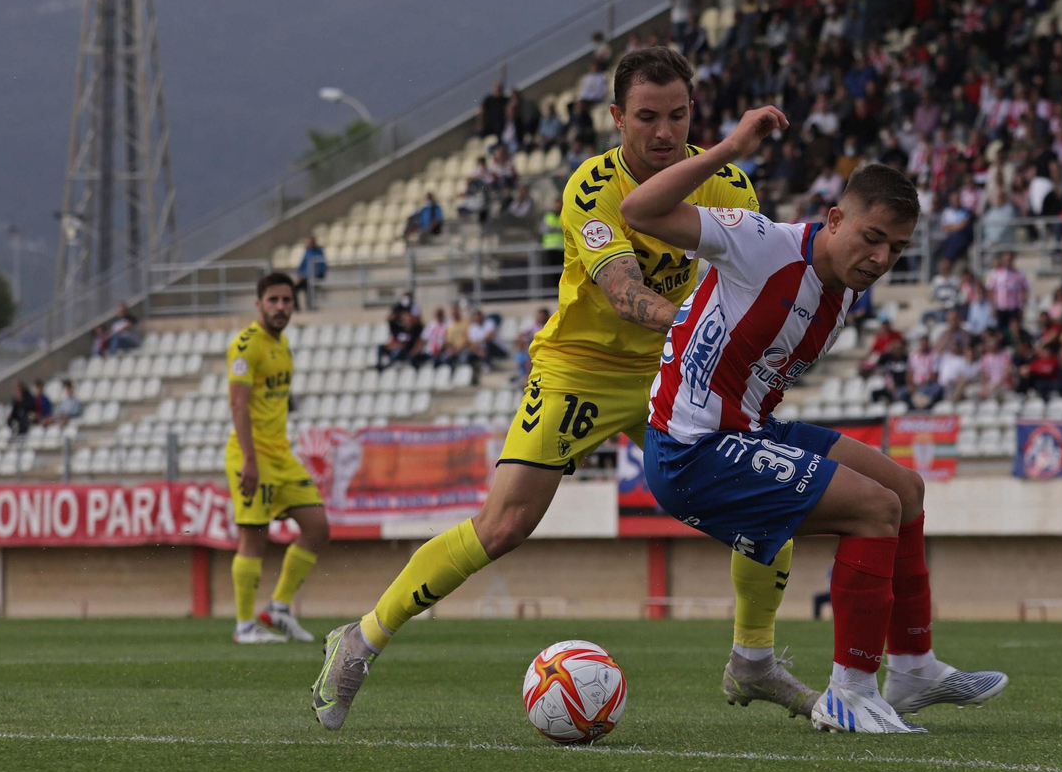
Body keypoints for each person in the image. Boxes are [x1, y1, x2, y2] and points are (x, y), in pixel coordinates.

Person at [313, 47, 813, 730]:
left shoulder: (725, 183)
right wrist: (700, 327)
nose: (663, 133)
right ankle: (361, 640)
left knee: (767, 508)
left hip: (674, 369)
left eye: (677, 115)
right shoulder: (591, 187)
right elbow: (623, 291)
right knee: (506, 525)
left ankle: (752, 661)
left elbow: (746, 280)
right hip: (583, 364)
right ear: (616, 118)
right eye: (646, 117)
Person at [621, 113, 1006, 733]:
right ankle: (849, 691)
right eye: (872, 238)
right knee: (874, 508)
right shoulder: (762, 242)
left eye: (897, 249)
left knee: (905, 491)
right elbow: (639, 210)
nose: (880, 259)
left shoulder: (848, 284)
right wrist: (731, 149)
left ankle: (912, 668)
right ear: (833, 219)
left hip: (748, 431)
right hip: (691, 449)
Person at [224, 273, 328, 645]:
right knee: (254, 537)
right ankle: (244, 625)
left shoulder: (282, 345)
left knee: (317, 527)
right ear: (259, 304)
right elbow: (238, 404)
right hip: (252, 456)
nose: (281, 307)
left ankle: (280, 608)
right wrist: (250, 460)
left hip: (282, 456)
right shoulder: (245, 346)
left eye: (287, 300)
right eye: (274, 300)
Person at [293, 235, 326, 311]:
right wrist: (300, 275)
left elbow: (322, 266)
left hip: (314, 277)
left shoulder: (319, 252)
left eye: (312, 242)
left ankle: (310, 306)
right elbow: (302, 265)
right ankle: (297, 308)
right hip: (305, 277)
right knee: (294, 287)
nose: (310, 244)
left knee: (308, 285)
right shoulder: (307, 252)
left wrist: (314, 275)